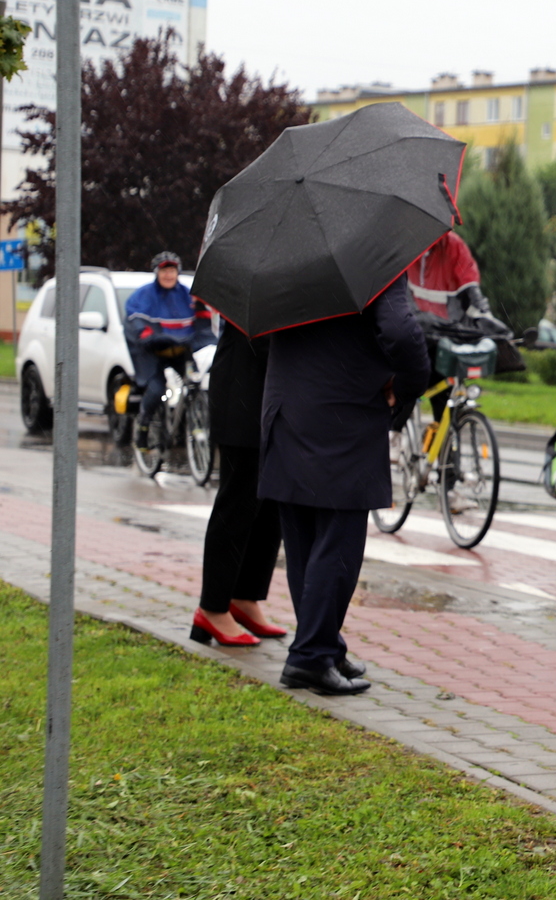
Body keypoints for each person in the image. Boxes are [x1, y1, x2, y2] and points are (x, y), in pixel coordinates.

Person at [259, 276, 430, 695]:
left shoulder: (289, 253)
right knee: (337, 542)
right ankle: (311, 657)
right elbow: (399, 331)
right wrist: (408, 386)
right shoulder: (373, 254)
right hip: (340, 416)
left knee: (304, 542)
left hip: (286, 405)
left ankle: (322, 646)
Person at [190, 318, 286, 648]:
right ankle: (212, 607)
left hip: (272, 398)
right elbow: (260, 334)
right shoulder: (250, 273)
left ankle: (245, 597)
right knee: (238, 502)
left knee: (270, 504)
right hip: (242, 397)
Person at [406, 229, 512, 421]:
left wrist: (487, 319)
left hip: (445, 331)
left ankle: (445, 446)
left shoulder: (453, 245)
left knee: (443, 395)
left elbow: (470, 286)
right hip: (417, 330)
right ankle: (396, 431)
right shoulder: (406, 245)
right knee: (409, 384)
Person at [124, 251, 215, 452]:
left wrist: (205, 338)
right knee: (156, 389)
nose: (168, 275)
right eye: (164, 270)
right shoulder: (144, 296)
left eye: (172, 270)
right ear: (157, 272)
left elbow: (203, 322)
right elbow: (137, 323)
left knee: (195, 382)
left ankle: (192, 422)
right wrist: (149, 335)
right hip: (152, 351)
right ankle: (143, 428)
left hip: (180, 349)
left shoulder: (188, 295)